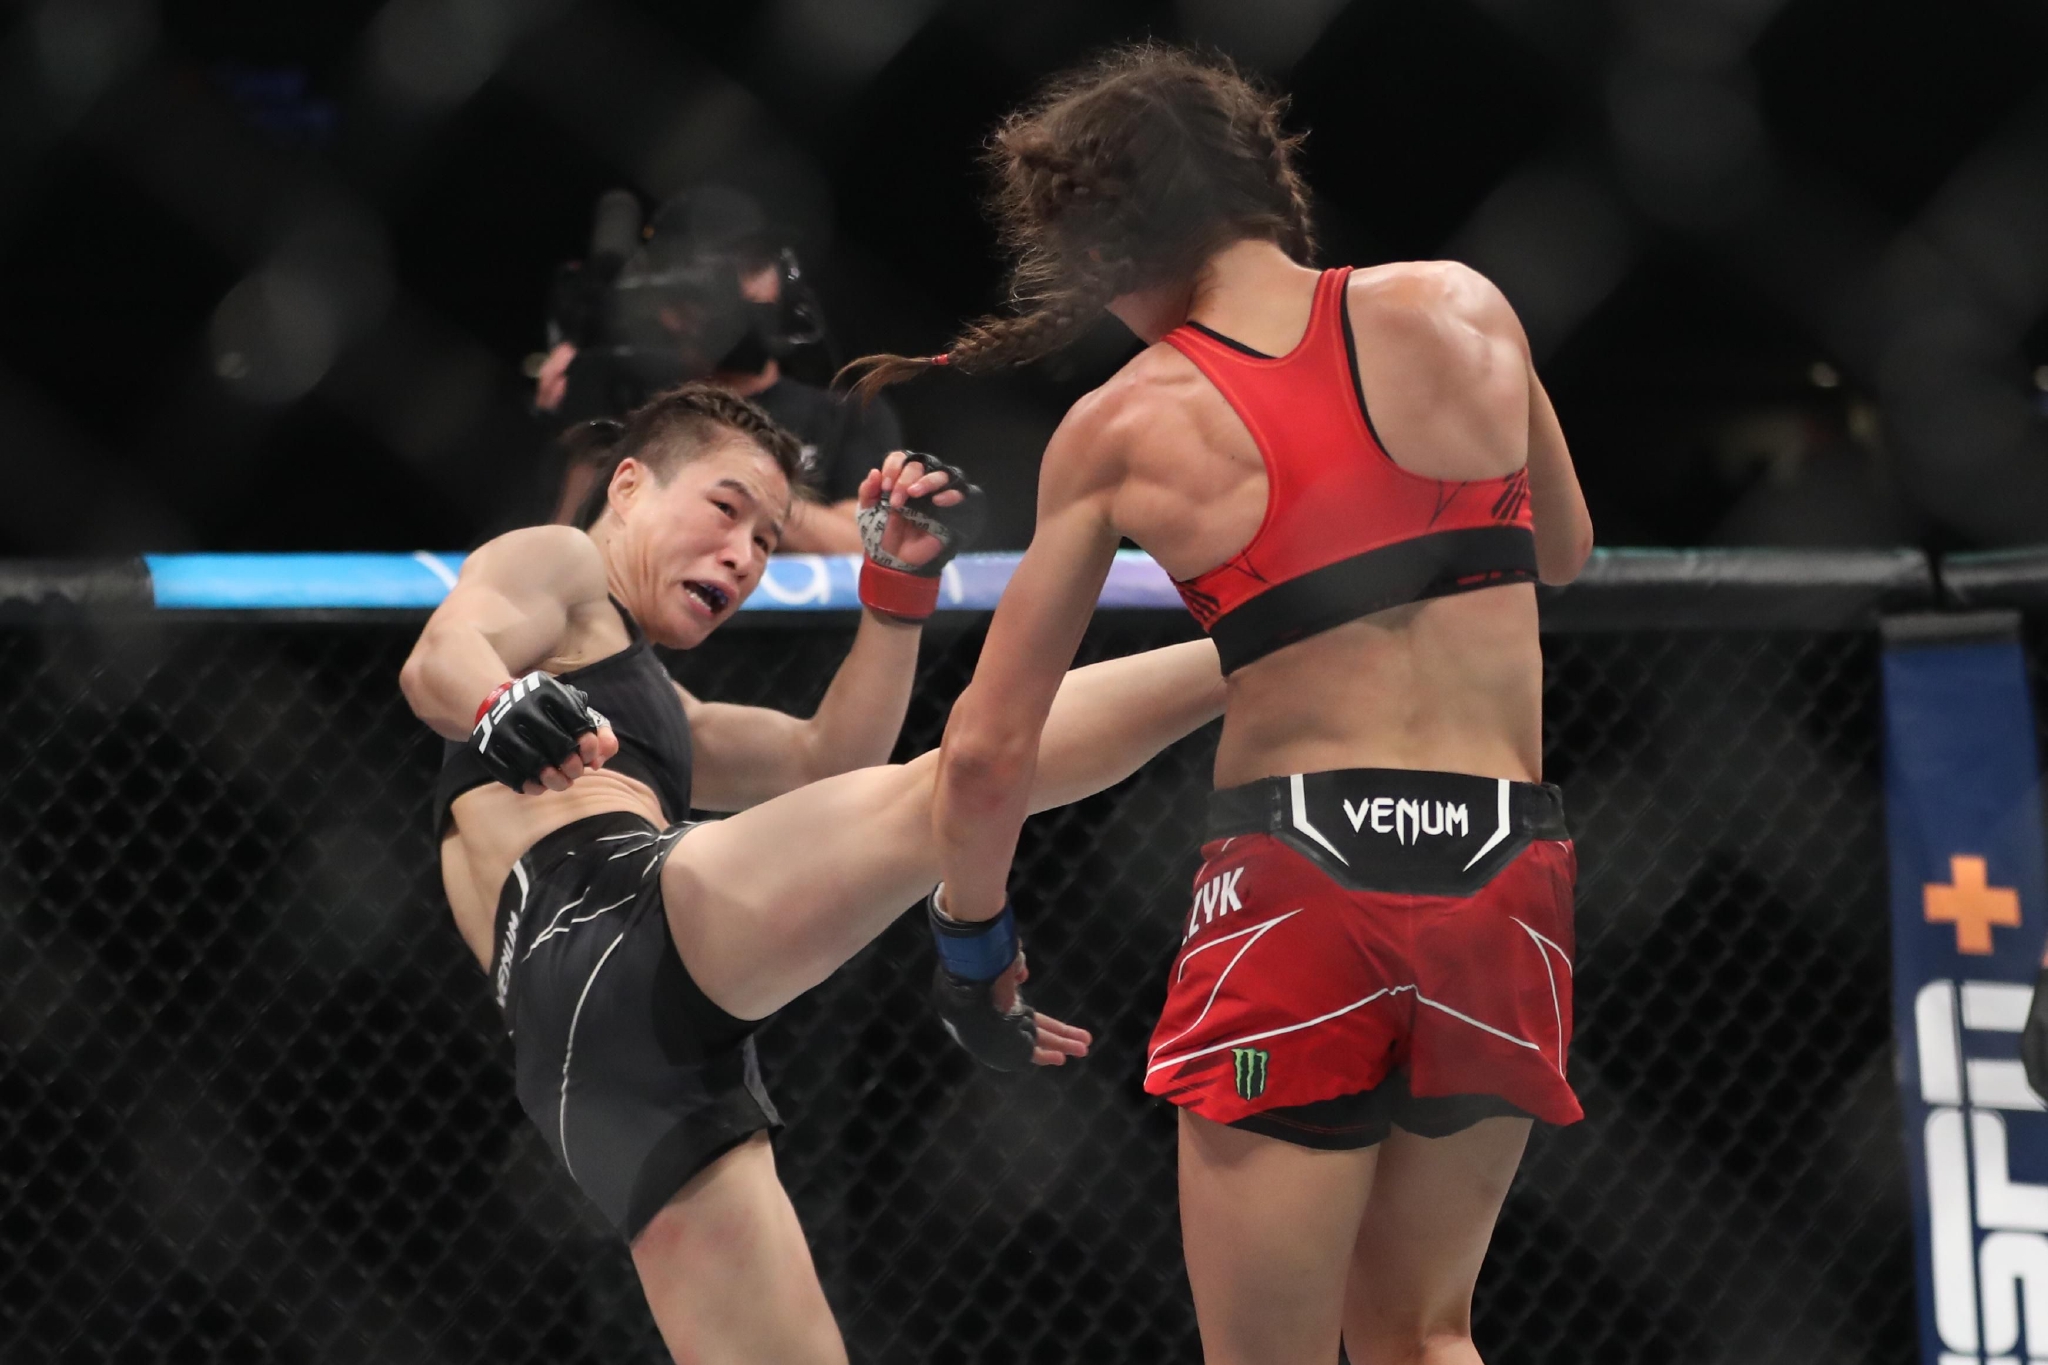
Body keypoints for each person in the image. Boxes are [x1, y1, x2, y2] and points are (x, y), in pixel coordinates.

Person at [845, 46, 1595, 1365]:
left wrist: (974, 950)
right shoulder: (1467, 306)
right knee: (1425, 1335)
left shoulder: (1128, 422)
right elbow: (1566, 549)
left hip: (1305, 877)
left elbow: (985, 754)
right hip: (1502, 866)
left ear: (1108, 240)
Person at [399, 380, 1226, 1362]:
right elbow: (441, 655)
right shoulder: (564, 560)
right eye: (724, 509)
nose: (743, 555)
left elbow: (823, 760)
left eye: (765, 537)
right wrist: (496, 703)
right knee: (951, 785)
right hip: (605, 920)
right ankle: (1264, 646)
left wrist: (897, 597)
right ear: (626, 486)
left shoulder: (654, 702)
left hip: (596, 1058)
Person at [535, 185, 899, 552]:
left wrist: (737, 484)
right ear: (671, 305)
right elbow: (568, 539)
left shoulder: (845, 414)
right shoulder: (621, 396)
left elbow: (868, 542)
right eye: (720, 275)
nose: (747, 292)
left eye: (756, 267)